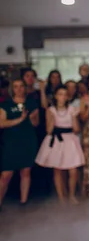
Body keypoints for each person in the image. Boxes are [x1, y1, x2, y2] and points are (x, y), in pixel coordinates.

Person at [35, 85, 85, 204]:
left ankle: (72, 194)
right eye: (60, 94)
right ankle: (61, 197)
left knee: (73, 170)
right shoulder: (50, 110)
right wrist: (52, 117)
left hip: (70, 139)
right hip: (56, 140)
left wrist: (73, 117)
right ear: (56, 96)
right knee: (57, 169)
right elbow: (49, 130)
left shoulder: (72, 109)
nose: (62, 97)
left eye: (65, 94)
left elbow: (77, 129)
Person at [0, 79, 40, 209]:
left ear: (25, 88)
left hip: (27, 140)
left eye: (21, 86)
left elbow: (36, 123)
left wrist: (31, 118)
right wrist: (20, 119)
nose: (19, 89)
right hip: (11, 141)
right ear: (12, 89)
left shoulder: (31, 103)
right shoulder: (5, 105)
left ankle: (24, 201)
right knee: (6, 174)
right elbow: (2, 123)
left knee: (26, 171)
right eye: (15, 86)